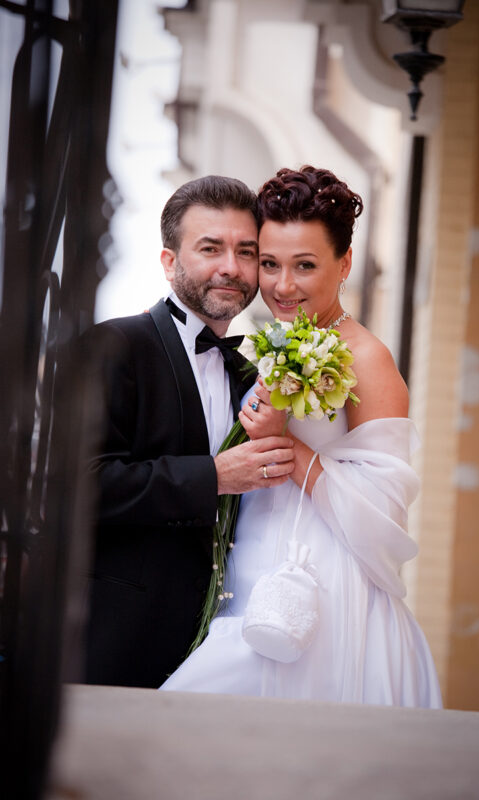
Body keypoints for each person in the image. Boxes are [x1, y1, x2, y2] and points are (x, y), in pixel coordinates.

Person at [160, 166, 442, 707]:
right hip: (251, 572)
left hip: (320, 589)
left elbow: (385, 515)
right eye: (269, 264)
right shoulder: (278, 343)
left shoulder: (367, 359)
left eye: (305, 265)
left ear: (345, 264)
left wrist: (287, 447)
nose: (283, 286)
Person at [84, 175, 295, 688]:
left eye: (247, 252)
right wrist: (213, 476)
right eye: (210, 248)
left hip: (220, 650)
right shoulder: (114, 346)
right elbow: (81, 484)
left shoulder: (251, 374)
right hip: (116, 640)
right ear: (169, 261)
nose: (231, 267)